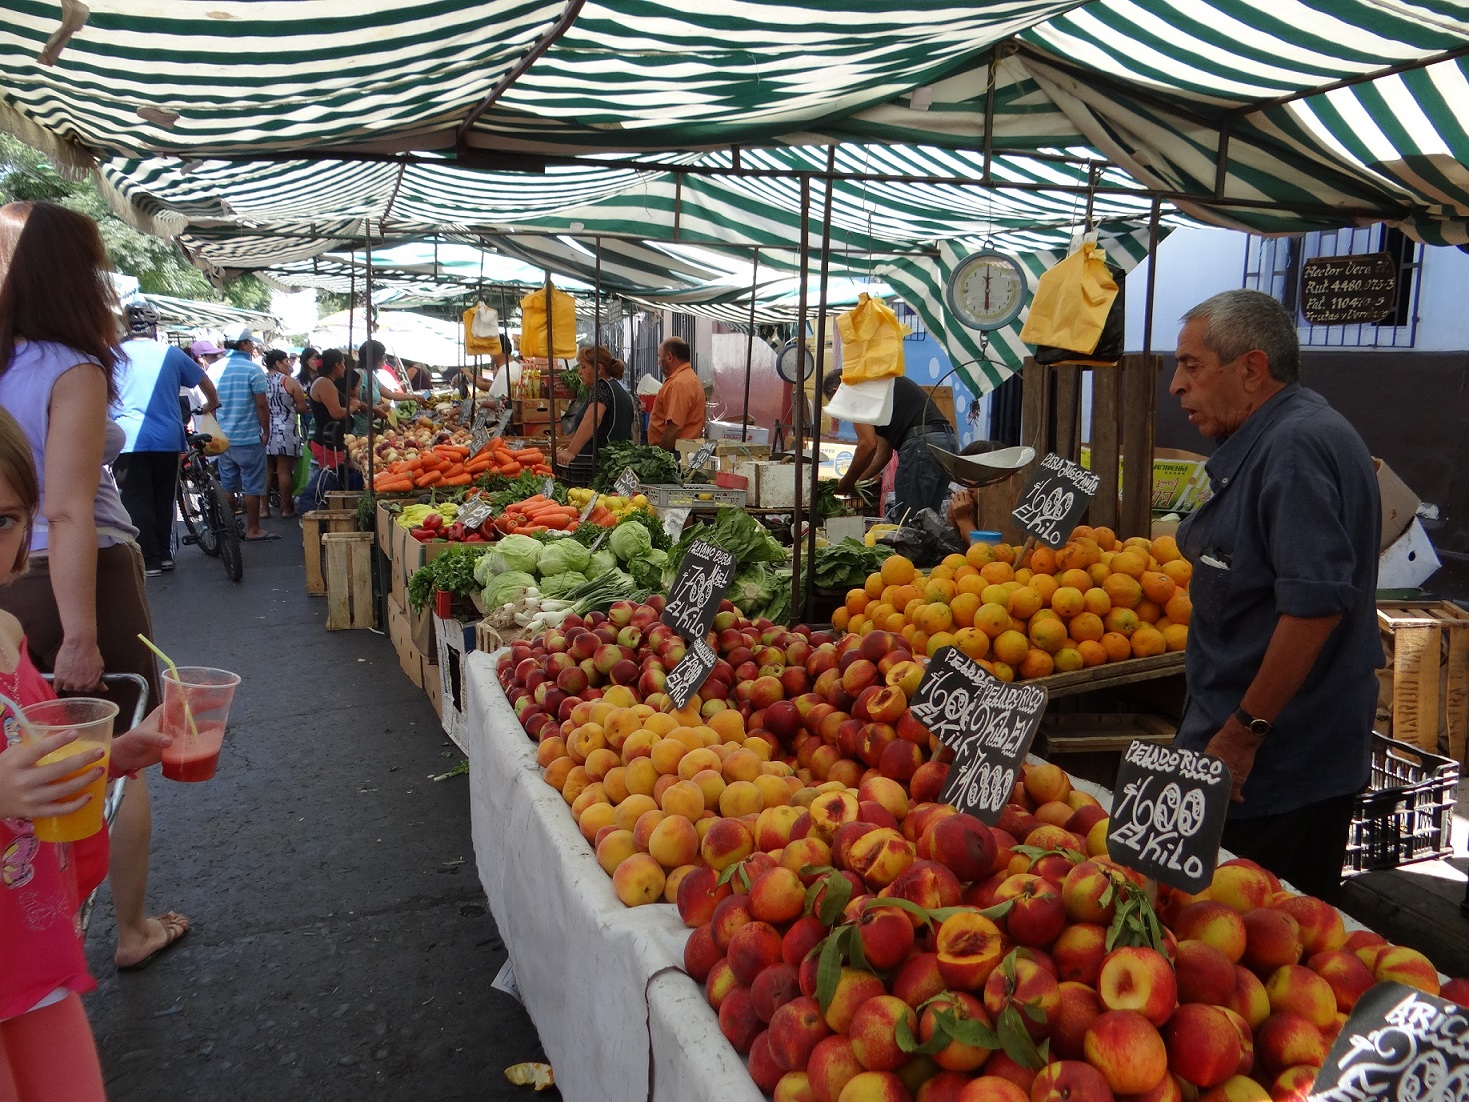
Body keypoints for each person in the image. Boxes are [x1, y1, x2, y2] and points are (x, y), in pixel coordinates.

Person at [0, 199, 189, 975]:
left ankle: (34, 924)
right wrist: (80, 632)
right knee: (111, 748)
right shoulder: (68, 365)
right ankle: (132, 926)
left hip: (11, 580)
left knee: (25, 755)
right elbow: (69, 507)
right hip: (79, 577)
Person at [1169, 289, 1381, 902]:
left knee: (1251, 944)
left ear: (1251, 369)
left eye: (1191, 365)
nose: (1177, 386)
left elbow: (1313, 608)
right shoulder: (1288, 434)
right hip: (1258, 756)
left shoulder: (1293, 445)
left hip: (1274, 773)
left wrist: (1241, 735)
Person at [0, 402, 176, 1102]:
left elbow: (36, 755)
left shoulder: (9, 637)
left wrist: (119, 755)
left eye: (3, 519)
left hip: (32, 946)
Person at [114, 303, 220, 577]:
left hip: (127, 439)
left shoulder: (112, 354)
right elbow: (204, 381)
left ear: (127, 326)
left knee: (136, 499)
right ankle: (164, 556)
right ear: (155, 328)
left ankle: (148, 560)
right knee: (164, 498)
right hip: (167, 438)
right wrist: (212, 403)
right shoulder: (171, 354)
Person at [830, 371, 957, 520]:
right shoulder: (877, 388)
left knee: (910, 525)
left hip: (922, 448)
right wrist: (857, 481)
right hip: (946, 442)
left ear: (837, 391)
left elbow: (867, 445)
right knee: (926, 523)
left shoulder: (854, 390)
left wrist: (846, 482)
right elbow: (883, 454)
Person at [214, 326, 275, 542]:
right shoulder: (253, 370)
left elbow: (210, 404)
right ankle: (253, 529)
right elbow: (261, 405)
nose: (253, 347)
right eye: (251, 343)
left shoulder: (214, 369)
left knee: (227, 485)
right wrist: (266, 431)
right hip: (248, 438)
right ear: (243, 345)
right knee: (252, 486)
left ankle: (229, 527)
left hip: (222, 439)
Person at [554, 345, 635, 484]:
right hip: (617, 463)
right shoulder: (618, 388)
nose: (579, 372)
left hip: (599, 466)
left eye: (584, 367)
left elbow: (593, 419)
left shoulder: (601, 387)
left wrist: (571, 451)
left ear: (598, 369)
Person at [263, 349, 307, 520]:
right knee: (284, 471)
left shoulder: (260, 381)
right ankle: (286, 508)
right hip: (285, 429)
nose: (289, 365)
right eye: (286, 361)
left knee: (266, 471)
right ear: (278, 363)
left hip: (264, 427)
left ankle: (263, 509)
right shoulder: (289, 382)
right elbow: (301, 407)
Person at [353, 340, 425, 436]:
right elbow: (353, 402)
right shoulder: (359, 374)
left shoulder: (372, 377)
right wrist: (376, 409)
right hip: (358, 428)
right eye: (382, 356)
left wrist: (413, 397)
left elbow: (390, 395)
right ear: (374, 358)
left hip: (369, 427)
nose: (384, 360)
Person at [647, 336, 705, 450]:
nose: (658, 362)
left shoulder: (680, 383)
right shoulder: (687, 378)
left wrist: (661, 457)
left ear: (669, 357)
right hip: (683, 451)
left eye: (659, 357)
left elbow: (674, 427)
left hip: (676, 453)